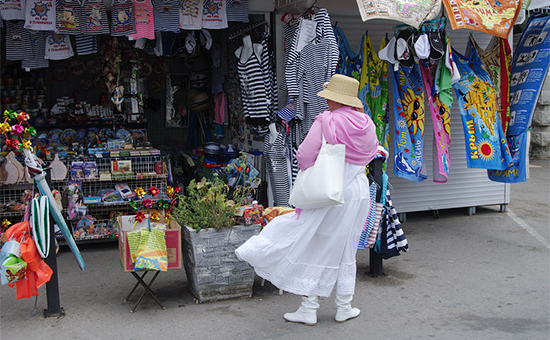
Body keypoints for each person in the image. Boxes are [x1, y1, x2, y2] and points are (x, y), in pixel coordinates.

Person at [235, 74, 379, 325]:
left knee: (314, 244)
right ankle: (344, 306)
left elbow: (304, 155)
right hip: (357, 192)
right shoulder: (367, 123)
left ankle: (308, 308)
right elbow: (371, 153)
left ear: (334, 100)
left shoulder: (327, 120)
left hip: (329, 191)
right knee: (345, 248)